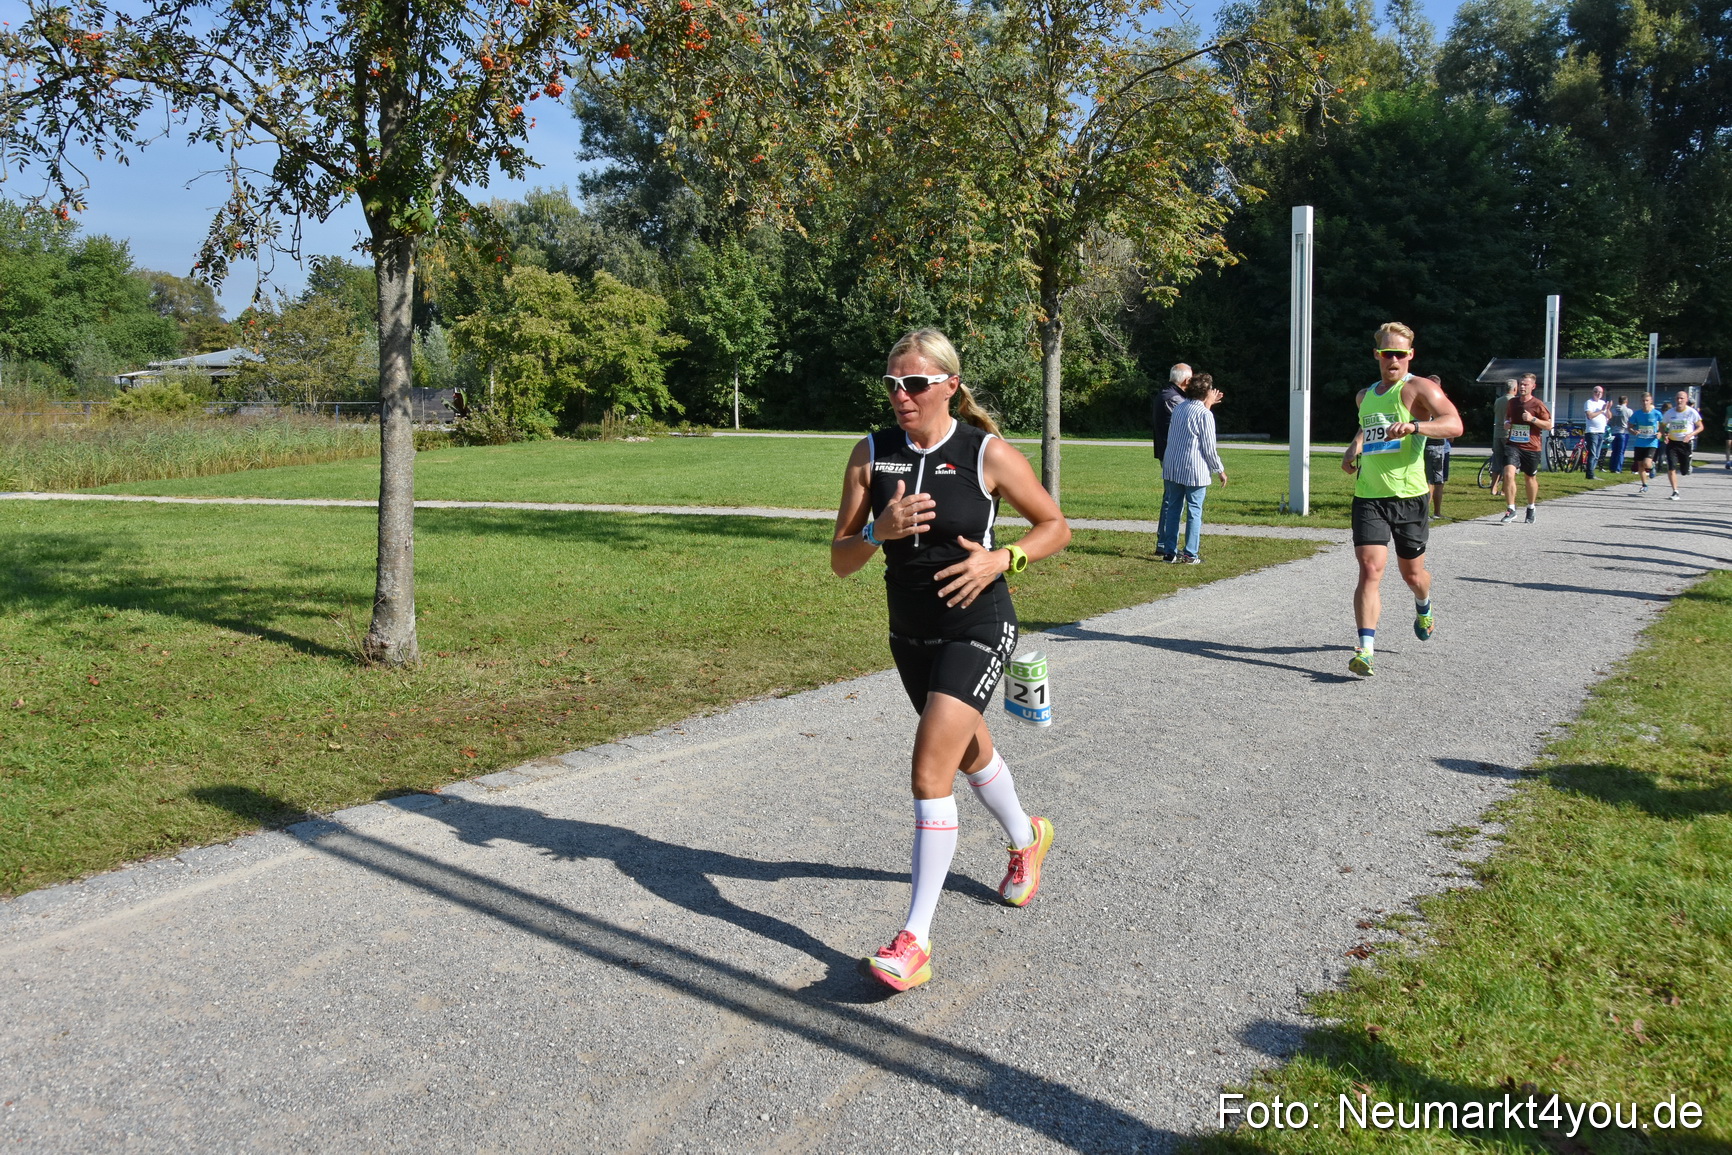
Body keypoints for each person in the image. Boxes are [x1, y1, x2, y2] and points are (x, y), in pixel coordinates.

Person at [831, 327, 1071, 993]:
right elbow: (840, 557)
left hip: (978, 621)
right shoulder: (869, 455)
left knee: (930, 764)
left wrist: (1003, 556)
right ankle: (1028, 837)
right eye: (892, 383)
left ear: (949, 387)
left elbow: (1055, 525)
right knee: (967, 752)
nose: (900, 395)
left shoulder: (984, 452)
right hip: (909, 632)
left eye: (914, 383)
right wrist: (878, 530)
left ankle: (915, 938)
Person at [1341, 322, 1463, 678]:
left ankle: (1424, 605)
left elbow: (1454, 424)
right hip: (1370, 495)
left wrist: (1415, 427)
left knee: (1413, 575)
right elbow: (1370, 424)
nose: (1392, 359)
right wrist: (1354, 447)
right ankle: (1365, 650)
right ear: (1376, 355)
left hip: (1409, 496)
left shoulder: (1419, 389)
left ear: (1410, 355)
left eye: (1399, 353)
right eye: (1386, 353)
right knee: (1370, 568)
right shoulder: (1365, 395)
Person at [1157, 372, 1229, 563]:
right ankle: (1190, 553)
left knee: (1173, 510)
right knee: (1194, 511)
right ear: (1206, 392)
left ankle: (1170, 552)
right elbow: (1208, 447)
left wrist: (1209, 403)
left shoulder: (1179, 408)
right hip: (1194, 470)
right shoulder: (1205, 414)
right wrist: (1219, 470)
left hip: (1173, 467)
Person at [1498, 372, 1553, 525]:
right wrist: (1507, 423)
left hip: (1532, 446)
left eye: (1525, 384)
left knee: (1530, 478)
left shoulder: (1537, 404)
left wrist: (1533, 419)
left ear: (1533, 387)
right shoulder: (1512, 403)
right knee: (1508, 473)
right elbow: (1507, 418)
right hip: (1513, 444)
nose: (1522, 387)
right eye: (1520, 384)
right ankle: (1511, 509)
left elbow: (1549, 425)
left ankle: (1531, 507)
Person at [1661, 390, 1706, 500]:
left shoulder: (1691, 412)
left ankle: (1688, 462)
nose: (1679, 400)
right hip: (1672, 443)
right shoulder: (1670, 413)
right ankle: (1675, 491)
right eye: (1677, 398)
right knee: (1671, 466)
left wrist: (1691, 434)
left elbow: (1701, 427)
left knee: (1684, 471)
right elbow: (1662, 426)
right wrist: (1664, 435)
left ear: (1686, 400)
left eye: (1682, 398)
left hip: (1685, 444)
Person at [1419, 373, 1451, 517]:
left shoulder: (1418, 401)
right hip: (1435, 446)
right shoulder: (1439, 401)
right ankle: (1426, 515)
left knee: (1436, 480)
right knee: (1432, 481)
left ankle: (1435, 513)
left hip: (1427, 445)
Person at [1153, 363, 1190, 468]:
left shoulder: (1165, 393)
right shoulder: (1174, 398)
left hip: (1168, 453)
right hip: (1175, 455)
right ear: (1186, 381)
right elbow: (1194, 419)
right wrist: (1207, 404)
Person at [1628, 393, 1662, 494]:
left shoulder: (1656, 413)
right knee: (1640, 465)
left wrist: (1660, 433)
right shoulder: (1637, 414)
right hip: (1639, 443)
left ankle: (1652, 466)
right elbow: (1629, 426)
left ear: (1651, 401)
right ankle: (1644, 485)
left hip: (1652, 442)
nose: (1645, 403)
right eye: (1643, 401)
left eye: (1647, 401)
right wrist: (1633, 431)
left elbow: (1664, 426)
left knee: (1646, 463)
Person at [1489, 379, 1517, 498]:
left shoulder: (1498, 400)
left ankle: (1493, 487)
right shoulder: (1514, 402)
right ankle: (1505, 489)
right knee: (1508, 462)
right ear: (1515, 389)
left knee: (1497, 460)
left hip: (1497, 433)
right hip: (1508, 434)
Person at [1582, 385, 1609, 480]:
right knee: (1592, 454)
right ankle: (1589, 474)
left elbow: (1609, 416)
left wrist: (1607, 408)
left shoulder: (1602, 403)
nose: (1598, 394)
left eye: (1600, 392)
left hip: (1601, 431)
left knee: (1597, 454)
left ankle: (1592, 472)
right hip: (1592, 432)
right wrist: (1601, 410)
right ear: (1593, 392)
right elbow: (1590, 416)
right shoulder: (1589, 403)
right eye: (1596, 392)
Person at [1607, 394, 1632, 474]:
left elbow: (1610, 421)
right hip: (1623, 432)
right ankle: (1618, 468)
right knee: (1621, 452)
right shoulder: (1628, 411)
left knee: (1614, 451)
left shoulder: (1613, 410)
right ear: (1626, 402)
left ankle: (1612, 467)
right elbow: (1631, 421)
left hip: (1614, 432)